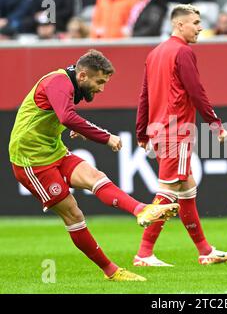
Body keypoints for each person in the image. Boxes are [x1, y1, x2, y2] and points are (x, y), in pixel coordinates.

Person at [8, 49, 179, 281]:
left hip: (54, 150)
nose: (101, 88)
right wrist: (105, 137)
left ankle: (142, 210)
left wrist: (74, 127)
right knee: (74, 214)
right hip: (31, 161)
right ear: (82, 76)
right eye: (99, 82)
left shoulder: (71, 83)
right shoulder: (58, 81)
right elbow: (66, 116)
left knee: (95, 177)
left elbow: (57, 113)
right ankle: (111, 271)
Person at [135, 4, 227, 267]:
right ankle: (144, 253)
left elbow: (144, 94)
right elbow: (196, 91)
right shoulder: (183, 52)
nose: (201, 27)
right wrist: (215, 124)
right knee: (168, 191)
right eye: (195, 22)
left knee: (186, 189)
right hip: (175, 131)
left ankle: (205, 250)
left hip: (159, 129)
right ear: (180, 25)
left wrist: (141, 131)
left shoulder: (155, 53)